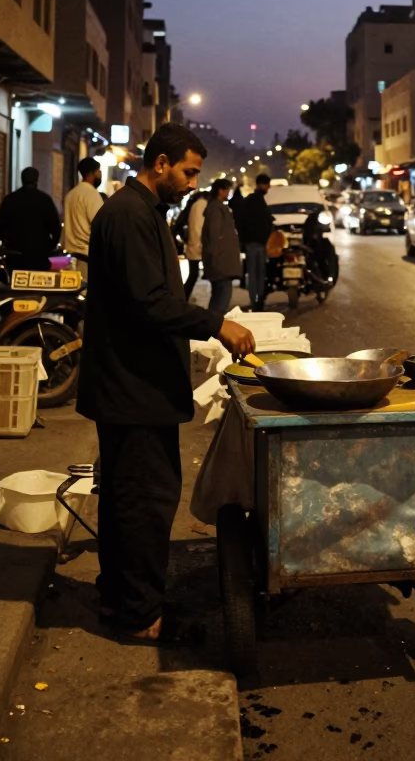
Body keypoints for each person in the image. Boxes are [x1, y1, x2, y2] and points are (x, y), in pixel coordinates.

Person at [76, 123, 255, 642]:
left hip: (136, 388)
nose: (192, 181)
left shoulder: (144, 211)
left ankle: (121, 602)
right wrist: (216, 324)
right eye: (188, 171)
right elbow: (148, 303)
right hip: (133, 391)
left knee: (126, 500)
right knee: (143, 504)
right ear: (160, 164)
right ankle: (139, 617)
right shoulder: (130, 216)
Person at [0, 166, 61, 274]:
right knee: (39, 287)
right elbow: (55, 228)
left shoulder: (10, 200)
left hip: (15, 255)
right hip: (39, 256)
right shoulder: (45, 200)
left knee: (14, 286)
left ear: (22, 179)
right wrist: (50, 247)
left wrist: (8, 242)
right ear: (36, 180)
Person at [201, 178, 242, 317]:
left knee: (219, 296)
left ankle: (211, 326)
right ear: (220, 191)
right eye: (227, 190)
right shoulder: (215, 209)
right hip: (221, 262)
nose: (228, 193)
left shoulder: (216, 207)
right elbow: (215, 236)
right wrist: (217, 261)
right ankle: (213, 327)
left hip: (221, 261)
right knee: (222, 298)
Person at [62, 156, 104, 281]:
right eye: (98, 170)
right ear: (90, 174)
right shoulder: (92, 195)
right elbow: (100, 224)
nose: (100, 173)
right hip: (86, 257)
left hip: (70, 258)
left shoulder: (71, 194)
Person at [238, 173, 274, 311]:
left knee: (256, 274)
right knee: (256, 274)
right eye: (267, 184)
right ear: (261, 184)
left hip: (254, 242)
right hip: (255, 243)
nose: (268, 187)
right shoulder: (255, 200)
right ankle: (257, 302)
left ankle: (257, 300)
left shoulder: (253, 200)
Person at [178, 189, 209, 299]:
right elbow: (198, 228)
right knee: (193, 275)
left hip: (193, 244)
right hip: (196, 245)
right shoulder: (201, 205)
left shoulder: (195, 205)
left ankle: (183, 297)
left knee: (193, 274)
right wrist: (200, 245)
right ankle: (183, 298)